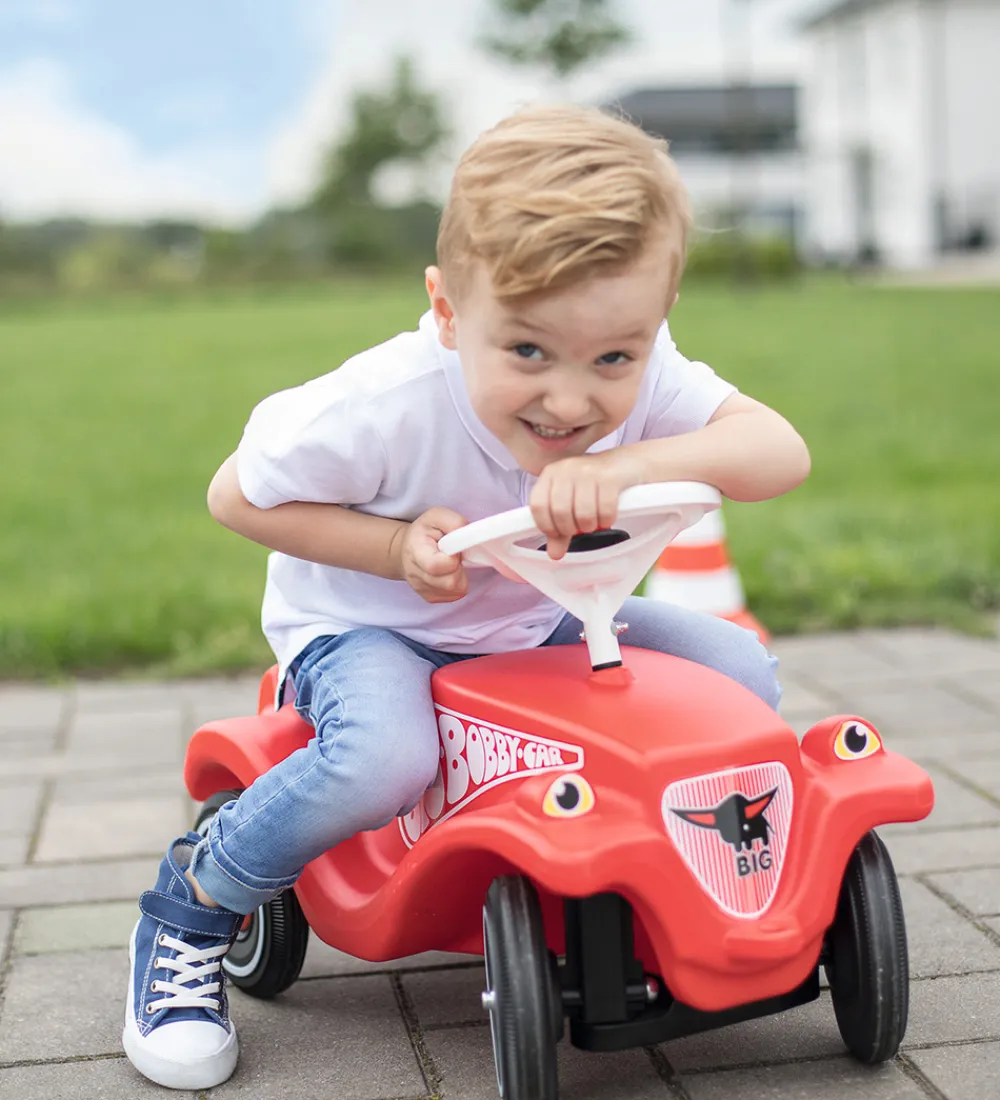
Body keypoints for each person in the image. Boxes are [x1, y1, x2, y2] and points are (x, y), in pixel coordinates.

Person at [122, 104, 810, 1090]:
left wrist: (637, 461)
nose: (571, 401)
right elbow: (233, 493)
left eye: (613, 359)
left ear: (651, 325)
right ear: (448, 311)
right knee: (384, 758)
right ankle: (192, 900)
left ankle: (653, 886)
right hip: (371, 627)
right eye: (527, 352)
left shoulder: (641, 373)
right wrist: (394, 545)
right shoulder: (380, 405)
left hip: (535, 618)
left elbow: (778, 450)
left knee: (735, 676)